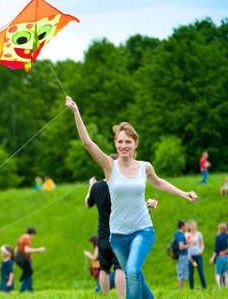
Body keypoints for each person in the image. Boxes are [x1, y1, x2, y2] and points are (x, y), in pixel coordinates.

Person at [66, 96, 197, 299]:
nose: (123, 145)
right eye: (120, 142)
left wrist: (183, 193)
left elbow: (159, 182)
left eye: (128, 142)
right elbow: (87, 142)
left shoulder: (145, 167)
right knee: (136, 275)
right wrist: (76, 111)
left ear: (136, 144)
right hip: (117, 236)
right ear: (116, 144)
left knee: (132, 272)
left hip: (142, 230)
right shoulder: (110, 167)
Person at [85, 165, 125, 297]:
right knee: (119, 268)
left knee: (104, 268)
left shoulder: (97, 187)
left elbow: (88, 204)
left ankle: (105, 296)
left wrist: (91, 185)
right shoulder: (122, 185)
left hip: (102, 233)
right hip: (119, 232)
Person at [15, 227, 46, 293]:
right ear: (32, 233)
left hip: (19, 258)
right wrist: (39, 249)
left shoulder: (21, 237)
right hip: (24, 259)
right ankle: (21, 292)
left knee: (28, 274)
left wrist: (14, 258)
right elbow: (27, 250)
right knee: (27, 274)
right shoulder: (27, 238)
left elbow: (17, 248)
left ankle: (30, 290)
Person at [209, 223, 228, 287]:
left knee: (218, 273)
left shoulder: (218, 237)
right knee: (227, 274)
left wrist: (212, 258)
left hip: (220, 258)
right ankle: (227, 287)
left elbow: (216, 249)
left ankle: (219, 287)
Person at [186, 220, 206, 289]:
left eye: (194, 225)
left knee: (201, 271)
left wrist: (201, 250)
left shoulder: (199, 234)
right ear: (189, 226)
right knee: (190, 273)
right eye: (191, 226)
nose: (193, 227)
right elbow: (186, 245)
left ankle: (204, 287)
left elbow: (202, 244)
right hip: (190, 256)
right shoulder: (187, 235)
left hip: (198, 255)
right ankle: (191, 288)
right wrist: (188, 255)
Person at [175, 220, 190, 290]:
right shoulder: (180, 235)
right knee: (181, 273)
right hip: (182, 255)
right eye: (185, 225)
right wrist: (189, 245)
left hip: (180, 256)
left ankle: (181, 289)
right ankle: (181, 289)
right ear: (182, 226)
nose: (186, 227)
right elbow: (181, 247)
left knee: (180, 272)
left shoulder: (177, 234)